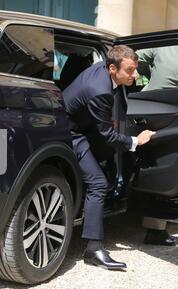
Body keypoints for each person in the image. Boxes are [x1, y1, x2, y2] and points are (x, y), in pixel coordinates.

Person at [63, 45, 156, 270]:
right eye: (131, 70)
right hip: (69, 133)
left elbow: (103, 127)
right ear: (113, 68)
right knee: (98, 183)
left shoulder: (102, 70)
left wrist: (104, 121)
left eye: (136, 69)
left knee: (105, 159)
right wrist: (136, 141)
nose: (135, 75)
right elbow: (106, 134)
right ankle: (93, 250)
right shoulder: (101, 91)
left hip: (82, 125)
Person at [135, 46, 178, 246]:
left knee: (151, 163)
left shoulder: (165, 44)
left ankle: (153, 226)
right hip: (170, 110)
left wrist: (149, 73)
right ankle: (155, 230)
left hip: (145, 104)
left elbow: (137, 56)